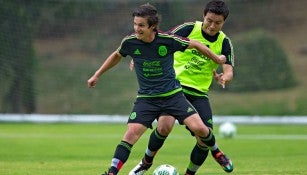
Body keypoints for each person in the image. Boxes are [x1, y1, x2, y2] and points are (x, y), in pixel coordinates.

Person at [87, 3, 227, 175]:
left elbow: (196, 44)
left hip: (173, 97)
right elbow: (116, 55)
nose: (136, 29)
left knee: (201, 129)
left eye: (141, 26)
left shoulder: (168, 41)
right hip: (147, 99)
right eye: (135, 24)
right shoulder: (130, 42)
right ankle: (112, 172)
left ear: (152, 27)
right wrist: (97, 74)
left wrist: (217, 59)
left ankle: (216, 151)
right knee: (130, 134)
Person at [129, 0, 234, 175]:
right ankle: (146, 162)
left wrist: (225, 77)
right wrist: (139, 56)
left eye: (218, 23)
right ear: (203, 16)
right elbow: (158, 41)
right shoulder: (188, 29)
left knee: (204, 138)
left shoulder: (224, 42)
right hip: (174, 88)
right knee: (164, 126)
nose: (212, 26)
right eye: (209, 20)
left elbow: (228, 70)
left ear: (224, 22)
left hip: (199, 94)